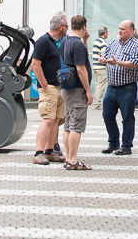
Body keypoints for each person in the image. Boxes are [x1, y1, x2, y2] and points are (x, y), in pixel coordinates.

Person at [99, 20, 138, 155]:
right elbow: (106, 55)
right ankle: (113, 143)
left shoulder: (137, 45)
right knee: (107, 115)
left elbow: (135, 63)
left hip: (127, 88)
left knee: (127, 118)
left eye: (123, 29)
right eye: (119, 28)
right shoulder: (114, 42)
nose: (120, 31)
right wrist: (103, 60)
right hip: (111, 87)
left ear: (131, 31)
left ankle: (126, 146)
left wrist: (117, 62)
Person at [30, 12, 68, 165]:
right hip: (50, 87)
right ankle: (38, 153)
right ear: (60, 27)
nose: (67, 29)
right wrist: (44, 84)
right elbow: (35, 64)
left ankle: (50, 151)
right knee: (47, 120)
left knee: (56, 120)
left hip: (60, 87)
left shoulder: (60, 42)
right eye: (66, 26)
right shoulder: (43, 41)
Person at [60, 15, 94, 170]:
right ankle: (73, 160)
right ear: (84, 27)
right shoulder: (77, 45)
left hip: (67, 88)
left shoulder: (66, 41)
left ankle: (68, 158)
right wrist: (88, 91)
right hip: (77, 89)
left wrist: (85, 40)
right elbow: (81, 68)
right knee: (76, 126)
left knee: (68, 125)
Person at [92, 26, 109, 110]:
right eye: (107, 32)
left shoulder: (96, 41)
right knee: (101, 86)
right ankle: (97, 103)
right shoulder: (102, 42)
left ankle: (96, 102)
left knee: (97, 85)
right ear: (105, 33)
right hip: (101, 67)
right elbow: (104, 56)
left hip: (95, 66)